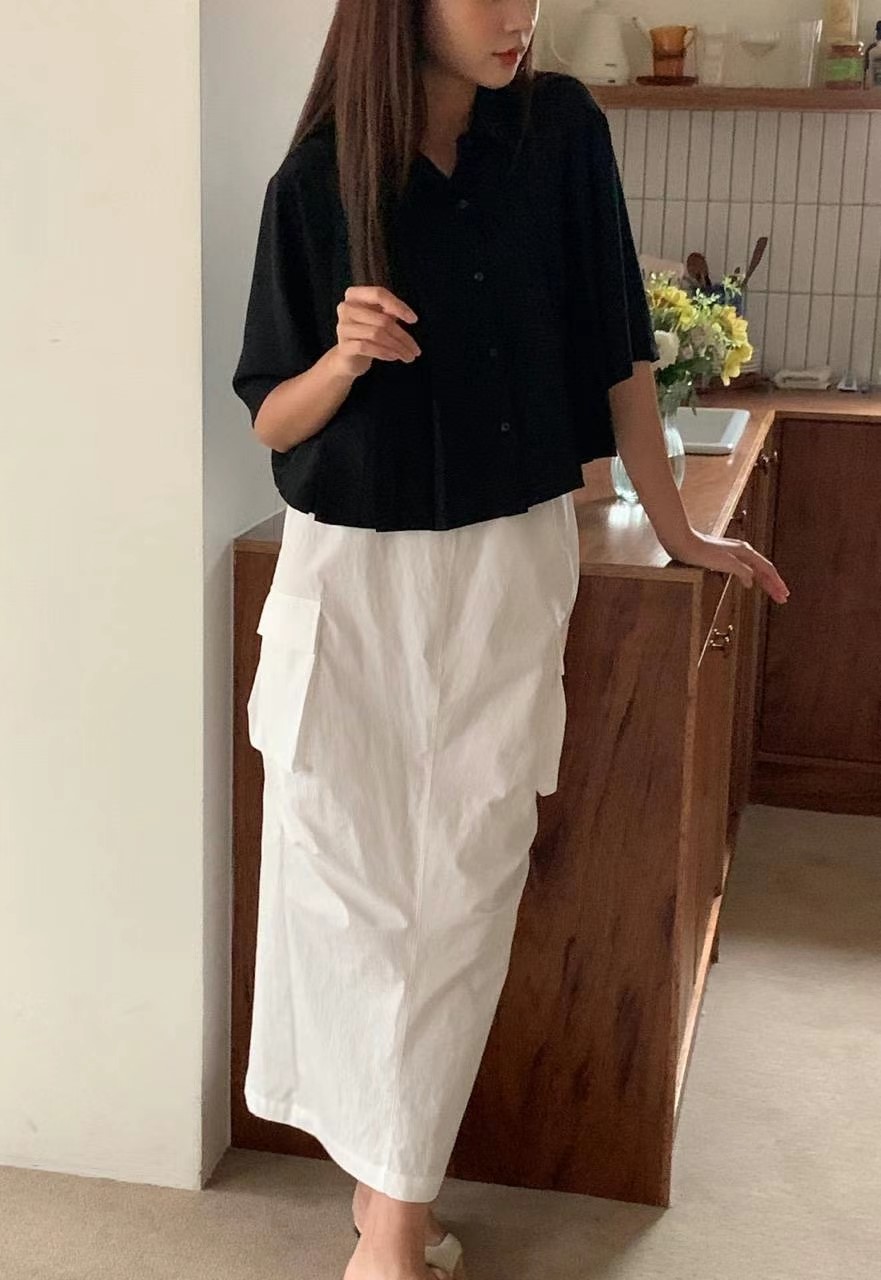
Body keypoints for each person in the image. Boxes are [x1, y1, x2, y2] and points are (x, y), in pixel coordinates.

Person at [232, 3, 790, 1278]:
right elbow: (273, 416)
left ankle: (389, 1225)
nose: (518, 10)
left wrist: (679, 527)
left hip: (502, 558)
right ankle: (389, 1211)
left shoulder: (558, 134)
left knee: (463, 886)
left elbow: (619, 350)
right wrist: (344, 357)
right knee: (347, 890)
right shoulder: (317, 180)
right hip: (348, 574)